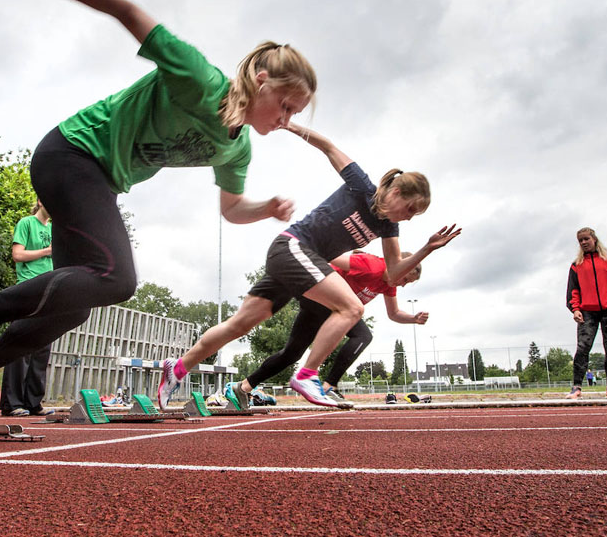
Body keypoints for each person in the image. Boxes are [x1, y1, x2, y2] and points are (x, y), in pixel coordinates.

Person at [0, 0, 318, 425]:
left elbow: (232, 209)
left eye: (296, 113)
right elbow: (126, 11)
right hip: (72, 153)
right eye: (286, 105)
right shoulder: (200, 81)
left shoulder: (237, 152)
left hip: (98, 181)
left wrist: (267, 209)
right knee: (117, 278)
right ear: (262, 82)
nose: (286, 120)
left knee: (75, 307)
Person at [157, 123, 460, 408]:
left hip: (292, 261)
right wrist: (290, 126)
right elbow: (328, 146)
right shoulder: (361, 187)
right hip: (292, 246)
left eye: (414, 216)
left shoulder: (389, 229)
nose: (408, 218)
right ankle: (307, 376)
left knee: (240, 324)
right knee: (352, 307)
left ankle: (178, 368)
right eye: (409, 209)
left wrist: (426, 249)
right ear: (395, 193)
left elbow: (393, 274)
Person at [223, 248, 446, 410]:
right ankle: (328, 386)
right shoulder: (370, 264)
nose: (404, 284)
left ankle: (242, 388)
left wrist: (413, 319)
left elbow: (394, 313)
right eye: (406, 278)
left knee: (292, 353)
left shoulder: (389, 284)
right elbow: (326, 255)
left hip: (333, 309)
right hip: (318, 295)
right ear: (400, 264)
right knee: (361, 333)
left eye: (408, 283)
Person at [0, 201, 57, 417]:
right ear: (41, 201)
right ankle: (11, 403)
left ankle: (33, 402)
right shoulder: (26, 223)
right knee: (19, 344)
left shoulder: (54, 229)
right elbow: (18, 254)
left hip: (48, 290)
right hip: (27, 286)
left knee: (42, 347)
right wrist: (46, 251)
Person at [564, 227, 607, 400]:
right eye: (580, 240)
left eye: (586, 239)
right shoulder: (576, 265)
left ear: (594, 239)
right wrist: (576, 309)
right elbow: (573, 291)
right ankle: (576, 387)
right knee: (582, 348)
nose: (583, 242)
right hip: (587, 312)